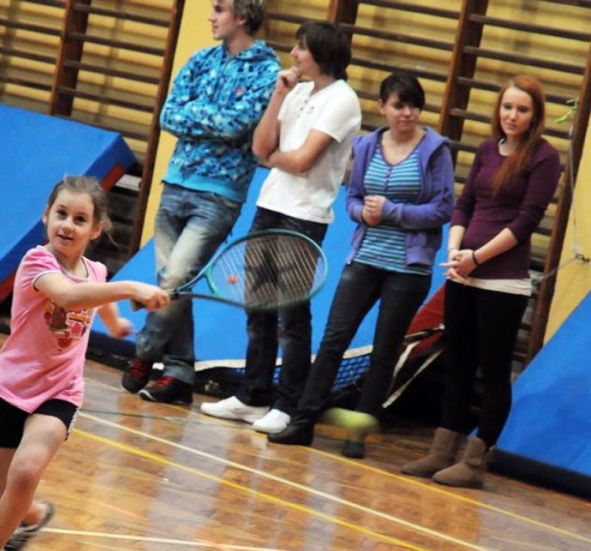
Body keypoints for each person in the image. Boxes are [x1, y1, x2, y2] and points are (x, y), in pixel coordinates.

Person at [0, 176, 170, 551]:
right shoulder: (36, 264)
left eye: (80, 219)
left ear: (95, 229)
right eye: (61, 214)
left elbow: (96, 295)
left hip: (60, 393)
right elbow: (70, 297)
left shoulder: (96, 271)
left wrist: (118, 324)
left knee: (25, 471)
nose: (68, 224)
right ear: (46, 215)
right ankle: (34, 515)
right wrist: (134, 286)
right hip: (11, 388)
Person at [266, 72, 455, 457]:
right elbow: (351, 197)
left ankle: (358, 434)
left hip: (409, 265)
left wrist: (392, 211)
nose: (407, 113)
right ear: (382, 107)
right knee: (334, 339)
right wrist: (362, 214)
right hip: (364, 257)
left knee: (385, 350)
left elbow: (443, 208)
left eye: (414, 105)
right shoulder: (367, 145)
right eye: (399, 105)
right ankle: (303, 422)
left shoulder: (435, 149)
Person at [200, 21, 362, 434]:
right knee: (258, 308)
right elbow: (260, 147)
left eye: (301, 48)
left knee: (291, 313)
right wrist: (277, 95)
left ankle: (287, 403)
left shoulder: (342, 100)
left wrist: (275, 156)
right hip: (269, 205)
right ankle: (252, 395)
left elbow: (304, 160)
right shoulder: (298, 91)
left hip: (304, 215)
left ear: (321, 55)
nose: (293, 54)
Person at [400, 75, 561, 488]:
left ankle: (475, 462)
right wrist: (455, 252)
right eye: (507, 107)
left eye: (522, 109)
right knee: (457, 365)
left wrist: (478, 258)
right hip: (463, 274)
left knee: (491, 373)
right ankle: (441, 450)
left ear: (535, 116)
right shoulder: (488, 149)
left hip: (501, 284)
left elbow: (526, 222)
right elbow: (465, 204)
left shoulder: (544, 158)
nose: (512, 115)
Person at [121, 0, 280, 406]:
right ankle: (178, 372)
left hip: (219, 195)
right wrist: (212, 118)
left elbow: (237, 125)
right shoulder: (199, 59)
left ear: (242, 17)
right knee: (180, 286)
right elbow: (169, 115)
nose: (211, 16)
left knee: (172, 280)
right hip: (174, 184)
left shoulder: (266, 70)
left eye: (219, 8)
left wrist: (200, 116)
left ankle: (143, 353)